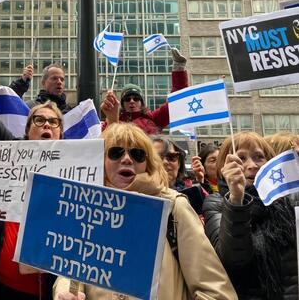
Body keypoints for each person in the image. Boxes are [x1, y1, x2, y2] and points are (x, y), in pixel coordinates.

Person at [54, 122, 237, 300]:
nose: (126, 159)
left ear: (147, 163)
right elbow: (70, 270)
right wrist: (64, 292)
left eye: (137, 154)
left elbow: (215, 290)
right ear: (100, 160)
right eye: (116, 152)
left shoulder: (172, 207)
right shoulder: (85, 209)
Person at [0, 38, 60, 300]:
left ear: (61, 132)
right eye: (39, 120)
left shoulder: (75, 163)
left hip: (53, 288)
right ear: (27, 130)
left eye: (54, 122)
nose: (47, 126)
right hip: (4, 286)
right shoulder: (13, 153)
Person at [202, 132, 297, 299]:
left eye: (259, 157)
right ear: (224, 166)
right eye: (241, 158)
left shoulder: (286, 200)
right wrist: (236, 200)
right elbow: (234, 259)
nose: (252, 165)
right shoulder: (216, 203)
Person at [101, 48, 188, 135]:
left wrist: (179, 68)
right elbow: (103, 140)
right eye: (127, 99)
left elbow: (176, 103)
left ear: (141, 102)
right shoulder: (113, 120)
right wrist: (111, 118)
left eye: (136, 98)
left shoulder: (153, 119)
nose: (132, 101)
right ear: (122, 104)